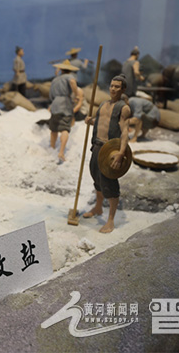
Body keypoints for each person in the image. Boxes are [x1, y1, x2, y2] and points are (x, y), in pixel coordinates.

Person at [83, 74, 132, 233]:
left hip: (110, 150)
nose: (113, 89)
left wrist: (121, 153)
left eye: (117, 87)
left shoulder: (124, 108)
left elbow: (124, 132)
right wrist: (90, 121)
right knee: (96, 179)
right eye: (111, 86)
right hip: (97, 147)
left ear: (123, 89)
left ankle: (110, 220)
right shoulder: (103, 104)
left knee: (109, 184)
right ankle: (98, 208)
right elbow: (101, 122)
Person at [48, 60, 80, 162]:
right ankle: (61, 151)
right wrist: (76, 94)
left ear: (61, 69)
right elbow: (72, 82)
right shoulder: (69, 77)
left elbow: (50, 94)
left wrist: (53, 102)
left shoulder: (55, 79)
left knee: (54, 128)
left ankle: (52, 148)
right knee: (65, 127)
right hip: (65, 103)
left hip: (55, 104)